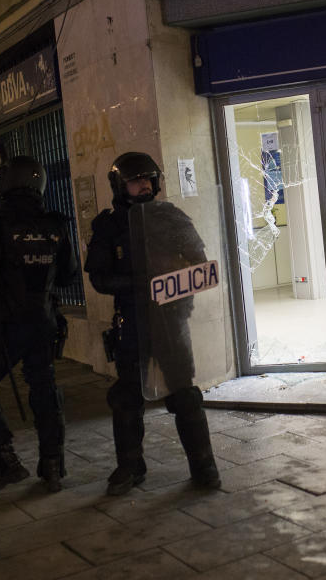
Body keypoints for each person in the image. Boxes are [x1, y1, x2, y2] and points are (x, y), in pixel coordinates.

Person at [85, 151, 220, 496]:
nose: (143, 185)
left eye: (148, 179)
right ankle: (130, 466)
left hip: (171, 320)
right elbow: (99, 278)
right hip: (132, 322)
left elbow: (199, 263)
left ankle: (204, 465)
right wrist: (139, 284)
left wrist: (172, 282)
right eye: (135, 181)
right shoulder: (108, 226)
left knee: (185, 394)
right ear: (120, 186)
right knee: (128, 397)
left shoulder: (170, 216)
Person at [0, 156, 78, 495]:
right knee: (44, 390)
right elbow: (69, 276)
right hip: (43, 322)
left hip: (6, 327)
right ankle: (53, 466)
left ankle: (5, 462)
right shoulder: (54, 224)